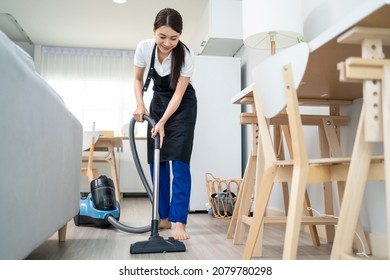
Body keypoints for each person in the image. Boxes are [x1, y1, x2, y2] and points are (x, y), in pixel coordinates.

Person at [133, 8, 197, 240]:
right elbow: (138, 79)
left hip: (182, 108)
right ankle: (164, 218)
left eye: (174, 38)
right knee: (157, 161)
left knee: (179, 162)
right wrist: (141, 106)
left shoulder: (185, 56)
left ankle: (179, 221)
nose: (167, 43)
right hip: (158, 103)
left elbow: (179, 95)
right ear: (154, 31)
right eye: (162, 36)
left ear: (180, 36)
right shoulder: (144, 48)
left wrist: (162, 122)